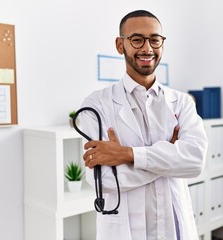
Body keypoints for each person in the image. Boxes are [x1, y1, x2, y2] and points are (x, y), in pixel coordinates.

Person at [79, 9, 208, 240]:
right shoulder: (96, 104)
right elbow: (105, 181)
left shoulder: (182, 102)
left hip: (173, 227)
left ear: (162, 44)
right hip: (123, 229)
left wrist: (126, 154)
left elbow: (195, 162)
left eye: (155, 40)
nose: (147, 48)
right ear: (120, 45)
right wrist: (168, 159)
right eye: (137, 39)